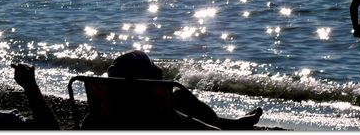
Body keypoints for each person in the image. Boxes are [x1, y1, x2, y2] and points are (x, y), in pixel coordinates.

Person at [105, 50, 263, 130]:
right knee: (181, 97)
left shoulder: (104, 107)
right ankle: (238, 125)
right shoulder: (158, 114)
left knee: (178, 97)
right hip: (149, 119)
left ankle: (237, 123)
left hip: (126, 112)